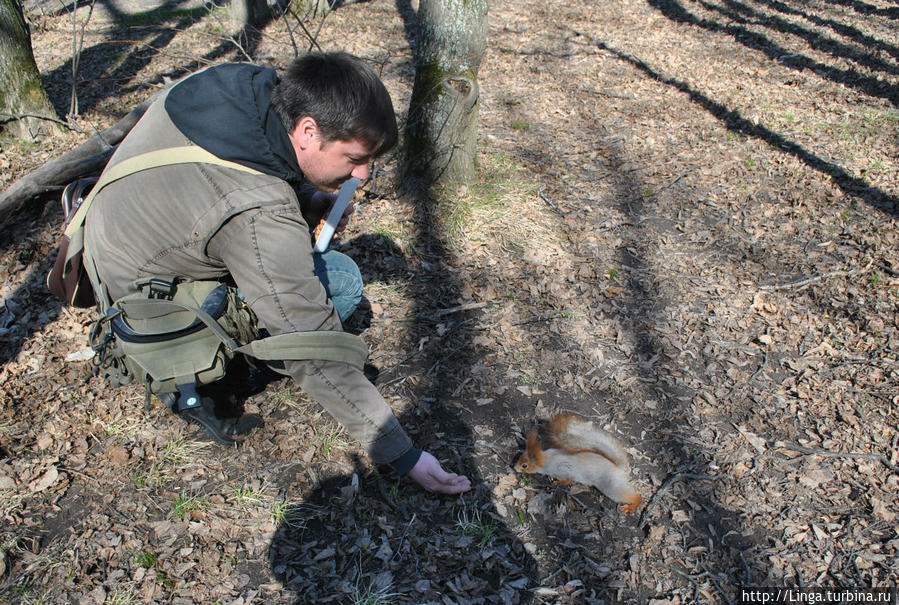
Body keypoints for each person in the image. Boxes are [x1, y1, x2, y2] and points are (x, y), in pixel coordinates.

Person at [83, 52, 471, 495]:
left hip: (124, 243)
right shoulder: (258, 213)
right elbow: (311, 342)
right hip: (145, 308)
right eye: (355, 158)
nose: (362, 174)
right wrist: (401, 453)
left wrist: (306, 198)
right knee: (340, 283)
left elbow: (237, 173)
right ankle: (192, 381)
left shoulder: (246, 85)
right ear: (309, 130)